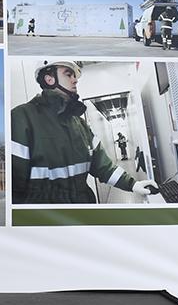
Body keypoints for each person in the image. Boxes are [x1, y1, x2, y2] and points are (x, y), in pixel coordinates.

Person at [10, 60, 156, 204]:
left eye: (75, 76)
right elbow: (14, 186)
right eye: (68, 75)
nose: (75, 80)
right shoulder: (22, 119)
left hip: (83, 209)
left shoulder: (80, 125)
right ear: (49, 79)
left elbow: (103, 167)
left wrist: (133, 185)